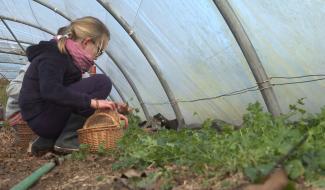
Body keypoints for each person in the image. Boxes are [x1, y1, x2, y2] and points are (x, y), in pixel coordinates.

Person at [18, 16, 128, 155]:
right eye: (99, 50)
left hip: (46, 118)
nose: (97, 56)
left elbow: (74, 96)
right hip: (42, 119)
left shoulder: (69, 60)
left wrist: (110, 110)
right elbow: (51, 91)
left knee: (90, 92)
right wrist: (93, 102)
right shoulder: (53, 56)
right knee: (102, 82)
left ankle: (48, 141)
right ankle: (67, 139)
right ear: (86, 42)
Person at [5, 26, 68, 126]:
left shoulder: (72, 68)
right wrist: (43, 92)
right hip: (18, 115)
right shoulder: (42, 61)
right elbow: (11, 88)